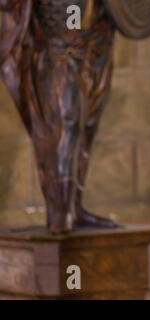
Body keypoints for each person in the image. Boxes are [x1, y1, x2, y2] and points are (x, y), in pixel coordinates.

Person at [0, 0, 116, 233]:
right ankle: (60, 213)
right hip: (60, 43)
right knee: (66, 124)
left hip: (98, 39)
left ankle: (75, 205)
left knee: (87, 125)